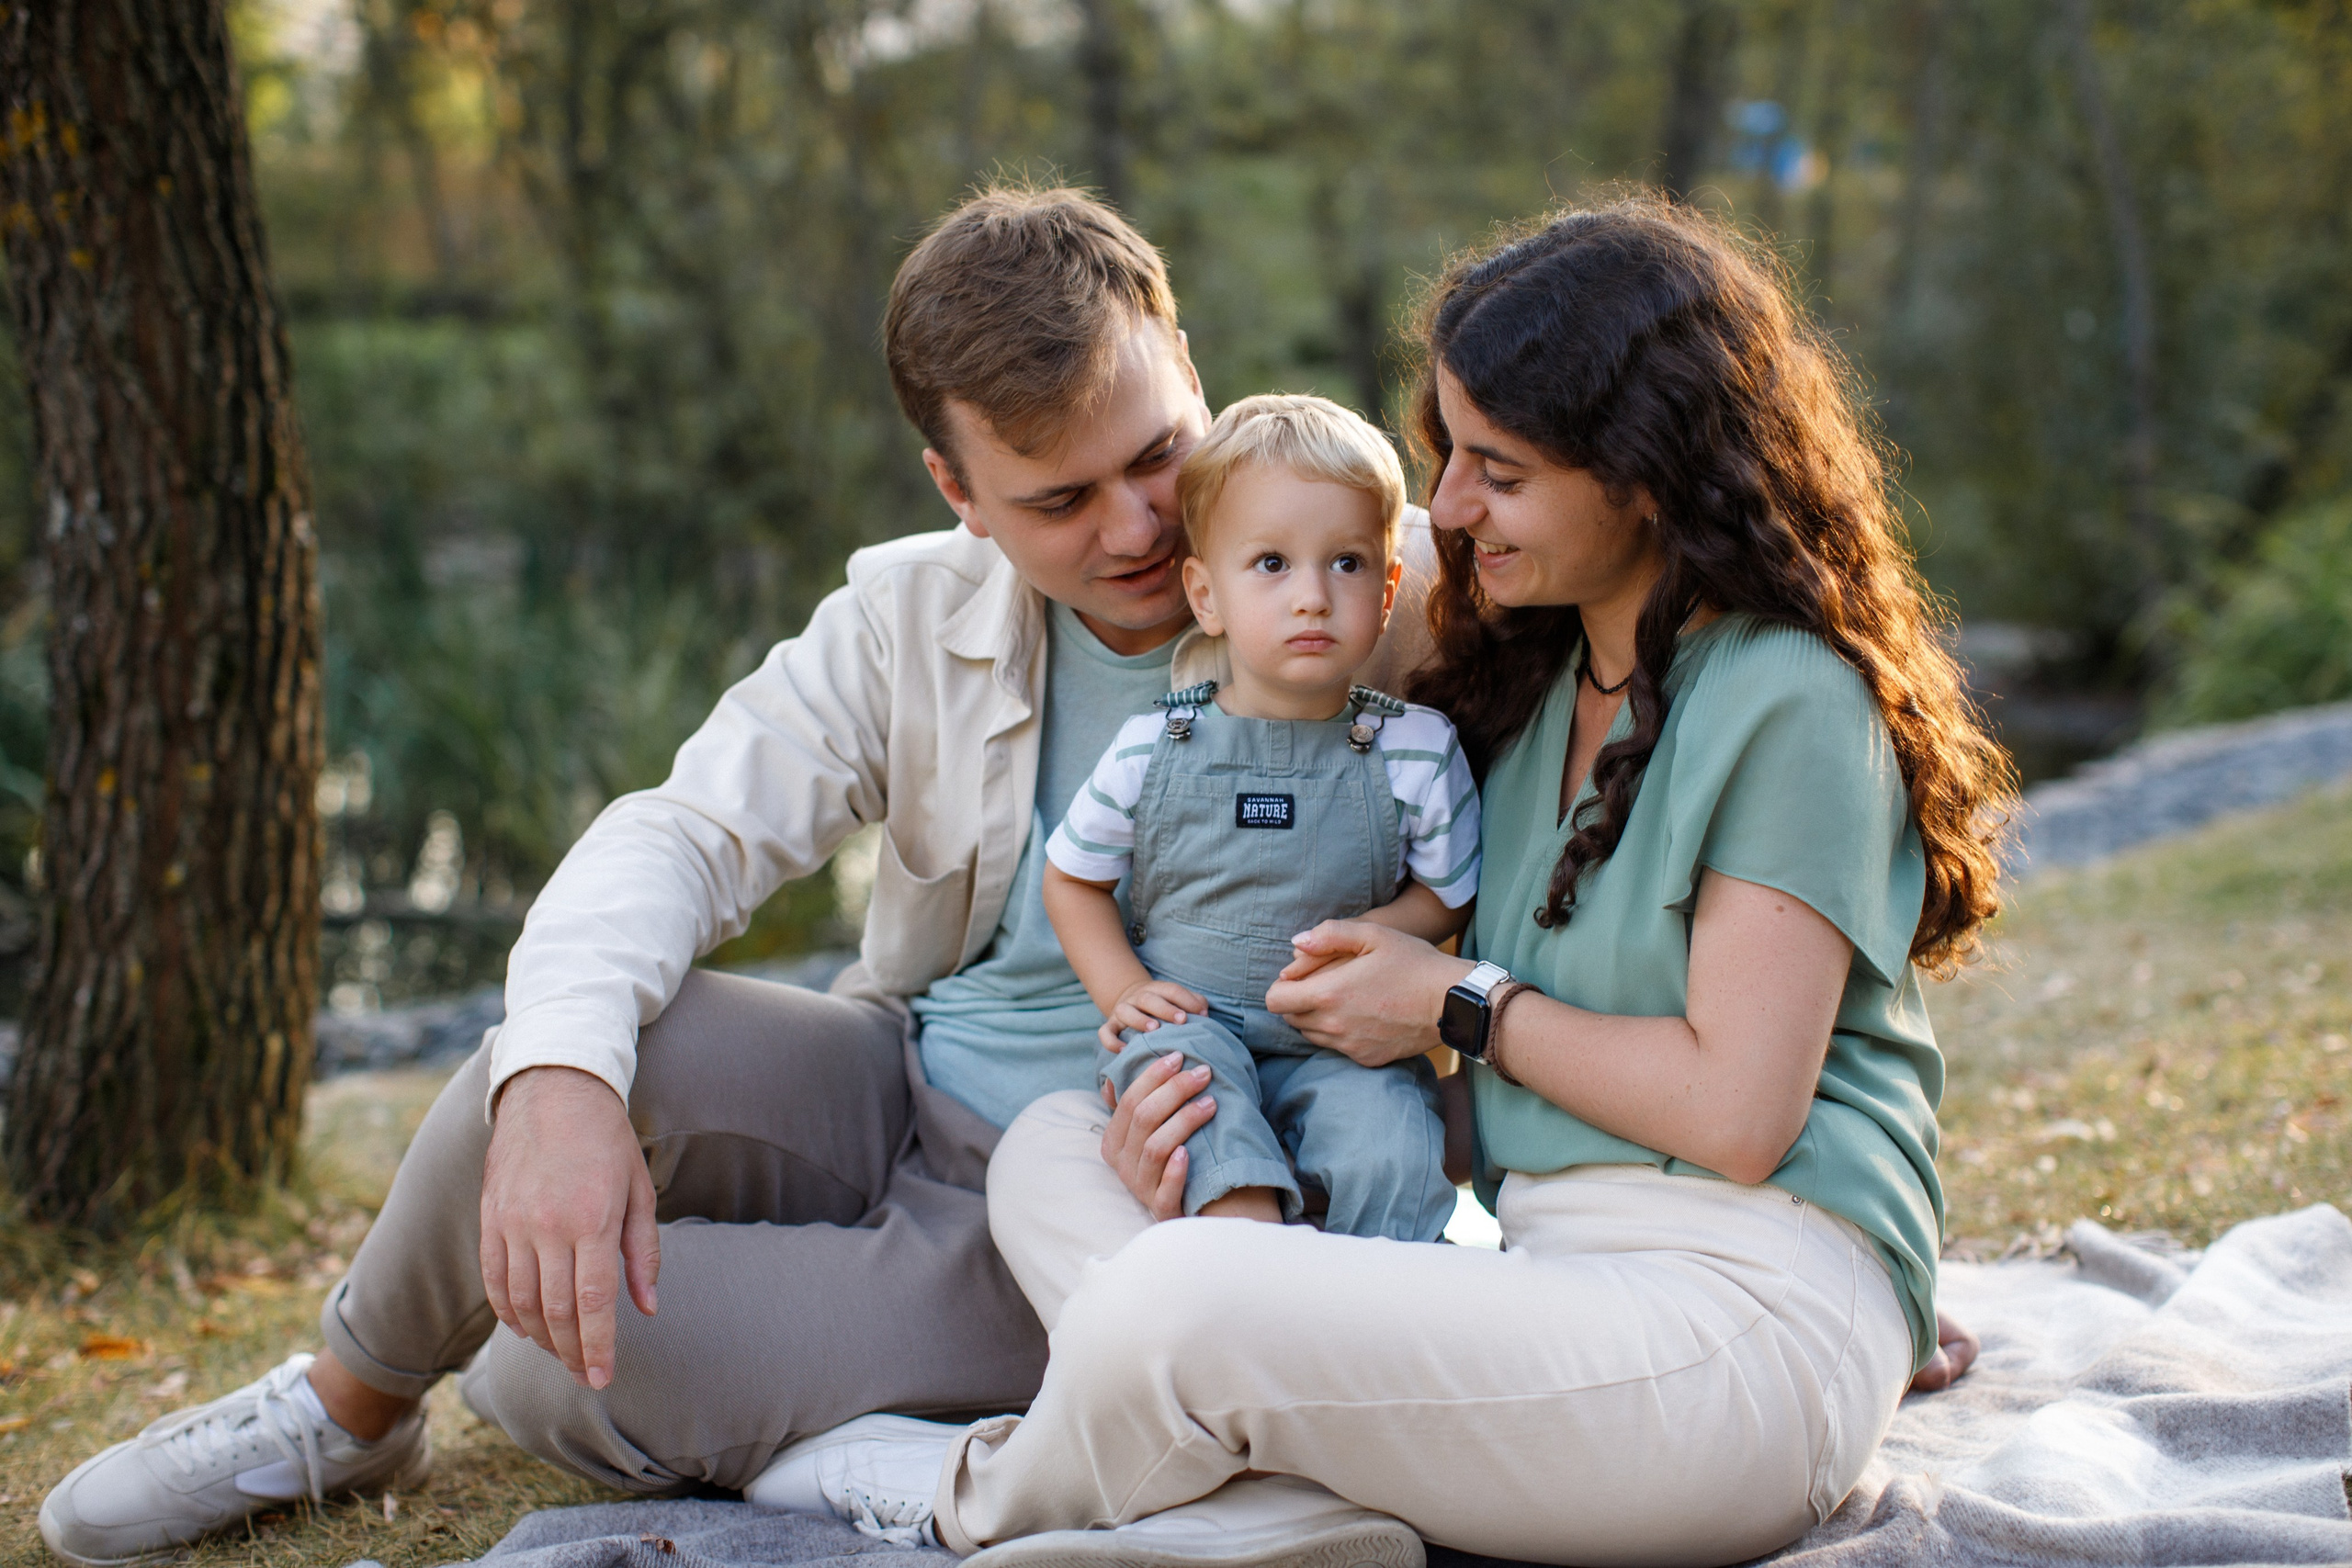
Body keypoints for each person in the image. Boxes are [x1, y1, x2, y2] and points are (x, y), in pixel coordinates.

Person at [37, 184, 1443, 1565]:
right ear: (958, 491)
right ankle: (347, 1407)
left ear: (1188, 368)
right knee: (542, 1066)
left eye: (1156, 455)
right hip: (899, 1077)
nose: (1137, 527)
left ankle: (922, 1454)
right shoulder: (907, 607)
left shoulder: (1361, 573)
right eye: (1060, 497)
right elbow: (682, 833)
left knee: (548, 1365)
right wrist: (562, 1088)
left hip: (1106, 1189)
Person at [743, 193, 2015, 1568]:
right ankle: (1295, 1506)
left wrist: (1456, 1004)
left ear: (1645, 470)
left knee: (1183, 1306)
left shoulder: (1787, 698)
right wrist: (1238, 1106)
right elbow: (1479, 1130)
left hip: (1728, 1314)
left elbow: (1739, 1113)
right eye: (1448, 456)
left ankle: (961, 1495)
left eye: (1499, 471)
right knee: (1064, 1140)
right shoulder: (1533, 692)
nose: (1452, 505)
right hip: (1546, 1284)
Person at [1042, 394, 1478, 1240]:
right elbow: (1073, 877)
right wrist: (1126, 989)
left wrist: (1381, 931)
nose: (1312, 596)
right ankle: (1248, 1267)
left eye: (1347, 564)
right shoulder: (1153, 747)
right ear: (1205, 594)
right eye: (1272, 564)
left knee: (1391, 1149)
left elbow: (1449, 891)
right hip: (1195, 1024)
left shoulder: (1416, 750)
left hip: (1344, 1039)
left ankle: (1389, 1325)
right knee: (1198, 1128)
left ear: (1390, 589)